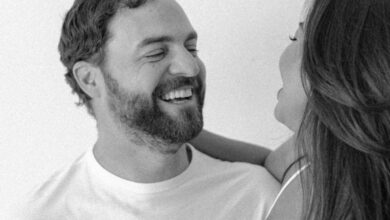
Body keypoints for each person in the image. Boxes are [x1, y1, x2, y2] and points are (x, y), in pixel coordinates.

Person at [8, 0, 280, 219]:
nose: (191, 67)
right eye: (156, 53)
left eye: (191, 47)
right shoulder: (41, 214)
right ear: (90, 80)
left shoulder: (258, 197)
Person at [192, 0, 390, 219]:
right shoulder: (314, 153)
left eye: (295, 38)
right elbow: (266, 161)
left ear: (336, 67)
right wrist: (184, 131)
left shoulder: (331, 198)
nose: (284, 54)